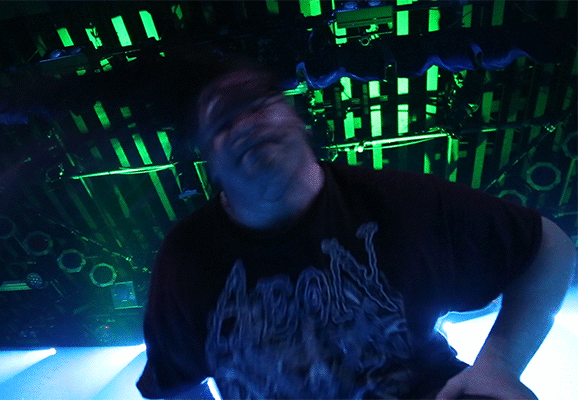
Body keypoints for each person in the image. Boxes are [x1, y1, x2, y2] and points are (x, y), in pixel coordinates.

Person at [136, 59, 576, 399]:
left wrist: (498, 364)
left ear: (297, 117)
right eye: (223, 121)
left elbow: (548, 249)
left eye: (256, 104)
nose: (247, 124)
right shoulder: (186, 260)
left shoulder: (397, 202)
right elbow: (172, 385)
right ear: (208, 161)